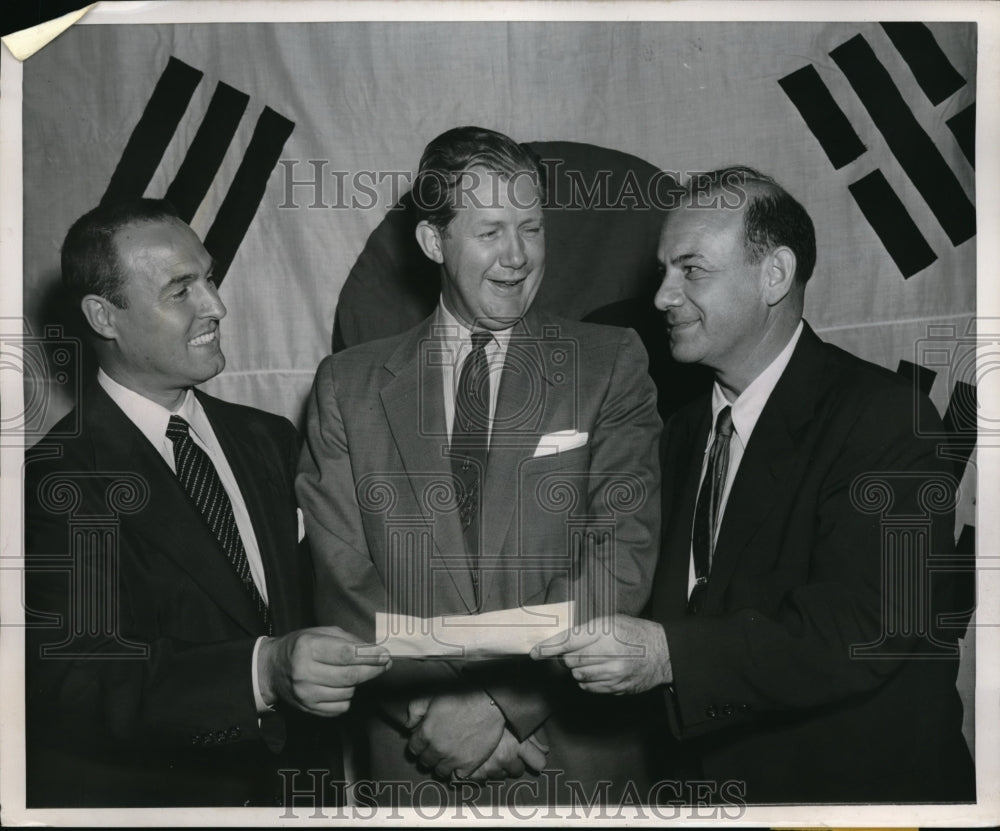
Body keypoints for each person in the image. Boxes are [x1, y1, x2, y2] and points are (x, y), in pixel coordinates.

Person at [534, 167, 975, 803]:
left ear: (774, 275)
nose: (662, 296)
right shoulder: (678, 434)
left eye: (691, 270)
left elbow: (862, 627)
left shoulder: (886, 418)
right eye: (664, 271)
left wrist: (668, 656)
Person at [297, 125, 662, 806]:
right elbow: (341, 579)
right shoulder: (347, 385)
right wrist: (435, 710)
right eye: (491, 231)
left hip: (573, 765)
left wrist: (501, 703)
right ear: (434, 241)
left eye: (532, 227)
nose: (518, 256)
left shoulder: (610, 361)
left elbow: (621, 555)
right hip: (413, 765)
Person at [24, 200, 390, 808]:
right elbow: (79, 680)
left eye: (210, 278)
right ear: (103, 316)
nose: (216, 306)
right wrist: (263, 672)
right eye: (180, 290)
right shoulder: (54, 482)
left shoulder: (268, 438)